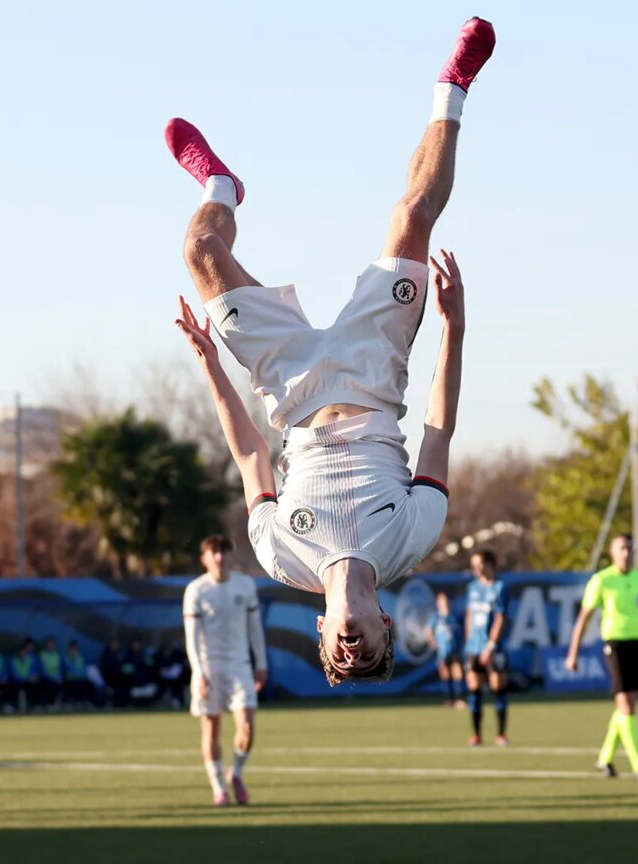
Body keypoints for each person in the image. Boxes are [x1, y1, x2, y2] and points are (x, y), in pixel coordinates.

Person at [168, 17, 491, 687]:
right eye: (366, 652)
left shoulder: (280, 557)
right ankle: (452, 88)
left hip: (288, 387)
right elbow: (438, 428)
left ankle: (221, 189)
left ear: (320, 632)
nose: (351, 650)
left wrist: (209, 363)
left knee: (200, 253)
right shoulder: (412, 537)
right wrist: (453, 326)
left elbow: (251, 454)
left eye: (340, 657)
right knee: (412, 215)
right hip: (374, 370)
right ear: (386, 628)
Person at [565, 534, 638, 781]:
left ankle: (605, 758)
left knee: (628, 706)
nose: (626, 553)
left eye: (630, 548)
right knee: (625, 706)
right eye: (622, 548)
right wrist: (573, 653)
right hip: (615, 645)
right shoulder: (602, 580)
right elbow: (584, 618)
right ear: (612, 552)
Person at [184, 535, 269, 806]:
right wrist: (199, 673)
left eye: (224, 552)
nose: (219, 557)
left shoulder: (245, 586)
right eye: (214, 553)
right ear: (205, 559)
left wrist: (261, 663)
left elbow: (255, 628)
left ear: (231, 556)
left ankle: (237, 774)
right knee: (211, 730)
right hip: (209, 668)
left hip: (240, 665)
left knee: (246, 726)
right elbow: (192, 637)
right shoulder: (196, 590)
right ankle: (218, 787)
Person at [462, 549, 510, 745]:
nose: (475, 568)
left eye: (478, 564)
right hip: (474, 647)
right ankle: (476, 735)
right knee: (474, 689)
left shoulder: (500, 587)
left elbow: (501, 617)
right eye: (473, 564)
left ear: (489, 564)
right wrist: (469, 642)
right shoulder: (472, 587)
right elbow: (469, 615)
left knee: (498, 687)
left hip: (494, 648)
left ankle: (501, 734)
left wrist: (491, 645)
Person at [431, 589, 464, 707]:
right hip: (442, 652)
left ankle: (459, 699)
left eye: (445, 600)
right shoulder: (436, 617)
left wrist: (462, 643)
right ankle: (449, 700)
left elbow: (464, 631)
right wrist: (434, 643)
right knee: (446, 675)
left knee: (458, 674)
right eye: (441, 601)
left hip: (455, 650)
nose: (443, 603)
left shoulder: (455, 615)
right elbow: (428, 632)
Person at [62, 640, 94, 709]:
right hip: (71, 679)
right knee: (74, 683)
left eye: (75, 648)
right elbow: (68, 669)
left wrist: (85, 676)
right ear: (69, 649)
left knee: (85, 683)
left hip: (81, 678)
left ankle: (85, 702)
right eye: (73, 648)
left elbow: (83, 668)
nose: (74, 650)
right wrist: (73, 658)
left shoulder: (81, 657)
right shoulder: (66, 658)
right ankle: (72, 702)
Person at [37, 637, 65, 710]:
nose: (51, 647)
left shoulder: (58, 655)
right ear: (46, 646)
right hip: (46, 678)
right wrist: (53, 678)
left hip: (57, 679)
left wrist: (59, 678)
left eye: (52, 645)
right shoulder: (42, 655)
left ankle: (57, 704)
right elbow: (42, 670)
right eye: (49, 645)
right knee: (46, 684)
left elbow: (60, 669)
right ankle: (46, 705)